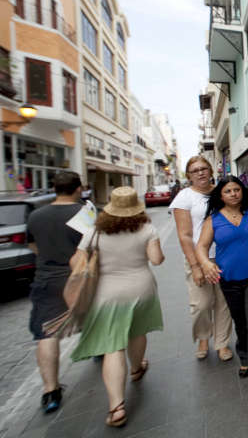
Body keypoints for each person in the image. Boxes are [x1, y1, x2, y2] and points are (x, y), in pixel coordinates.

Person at [67, 187, 164, 427]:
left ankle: (117, 407)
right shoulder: (147, 228)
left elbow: (75, 263)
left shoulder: (94, 231)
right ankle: (137, 368)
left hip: (107, 292)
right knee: (138, 331)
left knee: (112, 347)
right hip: (141, 288)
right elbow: (157, 259)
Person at [195, 176, 248, 399]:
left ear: (243, 191)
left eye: (237, 189)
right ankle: (245, 356)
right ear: (220, 195)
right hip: (229, 279)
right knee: (240, 322)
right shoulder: (213, 220)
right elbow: (201, 247)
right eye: (228, 191)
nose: (233, 194)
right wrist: (205, 263)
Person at [26, 171, 84, 413]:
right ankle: (100, 350)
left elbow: (33, 246)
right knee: (94, 317)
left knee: (46, 333)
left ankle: (50, 391)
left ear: (54, 188)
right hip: (81, 278)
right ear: (78, 189)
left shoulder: (36, 215)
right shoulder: (85, 213)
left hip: (47, 278)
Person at [170, 156, 233, 361]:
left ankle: (222, 343)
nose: (200, 173)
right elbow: (184, 235)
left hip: (224, 256)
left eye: (204, 168)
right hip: (199, 257)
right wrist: (196, 266)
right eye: (195, 170)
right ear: (189, 175)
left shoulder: (221, 192)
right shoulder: (184, 197)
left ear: (211, 170)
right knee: (201, 304)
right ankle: (203, 337)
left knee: (224, 302)